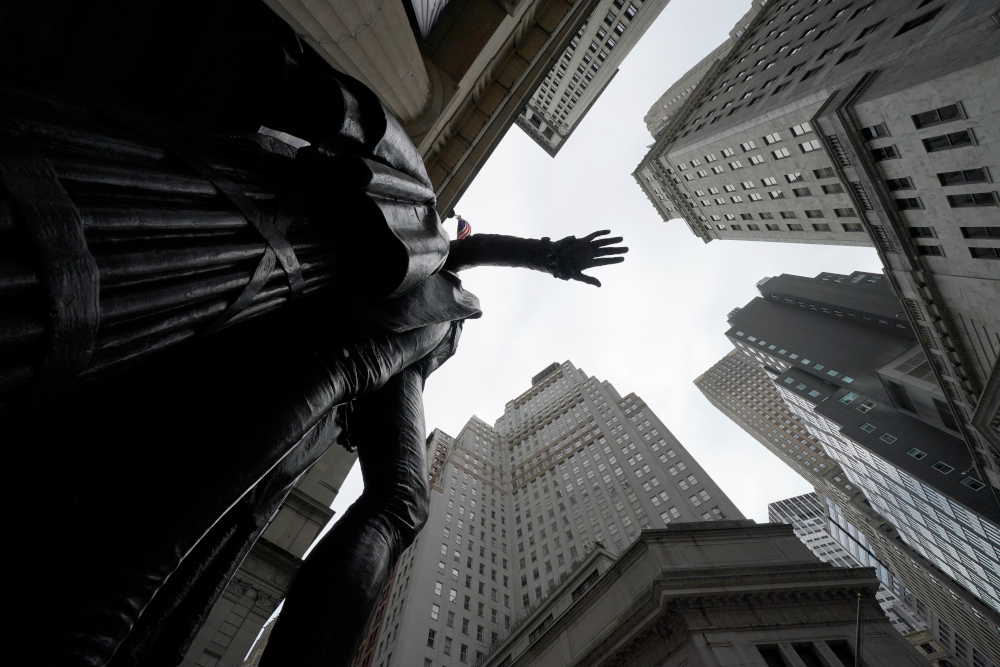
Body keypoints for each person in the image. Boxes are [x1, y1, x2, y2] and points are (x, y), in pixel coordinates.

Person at [11, 45, 626, 667]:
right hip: (330, 349)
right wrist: (545, 254)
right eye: (455, 231)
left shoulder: (448, 317)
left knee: (403, 500)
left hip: (369, 379)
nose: (456, 236)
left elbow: (409, 365)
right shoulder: (427, 248)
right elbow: (463, 247)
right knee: (174, 515)